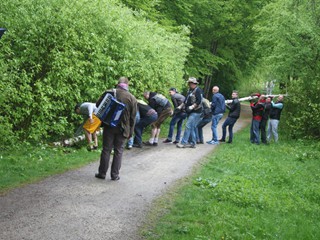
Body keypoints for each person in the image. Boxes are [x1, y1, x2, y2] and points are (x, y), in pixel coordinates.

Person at [95, 77, 137, 181]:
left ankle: (102, 173)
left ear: (118, 83)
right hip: (123, 128)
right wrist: (131, 132)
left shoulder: (109, 93)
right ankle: (114, 175)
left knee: (106, 150)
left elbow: (97, 105)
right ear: (127, 85)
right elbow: (133, 117)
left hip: (109, 125)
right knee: (119, 151)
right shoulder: (132, 98)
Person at [177, 77, 203, 148]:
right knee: (191, 127)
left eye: (190, 83)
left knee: (188, 125)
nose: (189, 84)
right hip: (190, 111)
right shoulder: (190, 90)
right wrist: (180, 106)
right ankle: (193, 143)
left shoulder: (198, 90)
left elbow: (199, 101)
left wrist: (192, 107)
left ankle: (183, 142)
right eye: (189, 83)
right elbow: (186, 100)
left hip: (196, 112)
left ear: (193, 83)